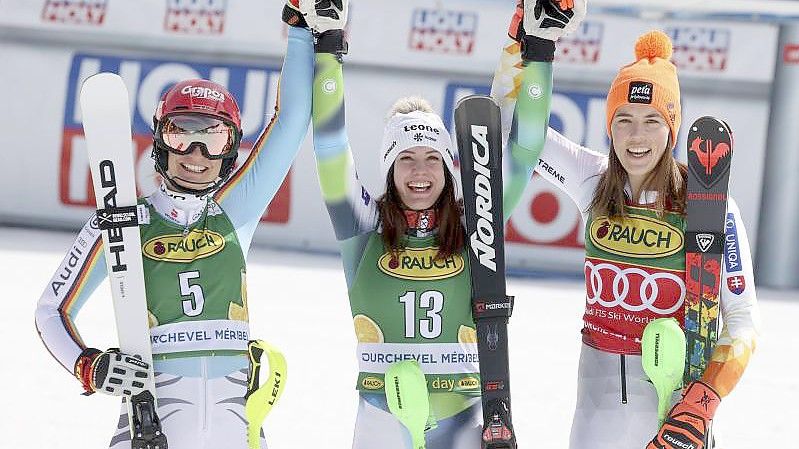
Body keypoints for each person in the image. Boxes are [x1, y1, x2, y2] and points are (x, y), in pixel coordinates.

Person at [33, 2, 342, 447]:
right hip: (149, 429)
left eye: (213, 139)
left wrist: (298, 28)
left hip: (235, 432)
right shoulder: (124, 220)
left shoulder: (235, 211)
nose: (197, 154)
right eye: (182, 133)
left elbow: (291, 120)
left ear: (231, 149)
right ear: (161, 140)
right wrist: (90, 365)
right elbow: (51, 311)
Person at [307, 1, 583, 447]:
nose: (420, 172)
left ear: (449, 167)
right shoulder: (362, 227)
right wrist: (328, 46)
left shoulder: (478, 221)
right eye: (407, 160)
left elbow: (525, 146)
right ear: (389, 168)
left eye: (432, 159)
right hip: (382, 423)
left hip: (465, 423)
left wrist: (540, 50)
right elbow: (328, 145)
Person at [491, 2, 761, 448]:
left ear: (672, 130)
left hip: (674, 410)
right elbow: (507, 128)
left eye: (653, 121)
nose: (637, 137)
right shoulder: (592, 180)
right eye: (625, 120)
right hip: (594, 403)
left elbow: (743, 322)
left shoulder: (710, 204)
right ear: (609, 125)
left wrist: (702, 404)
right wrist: (528, 45)